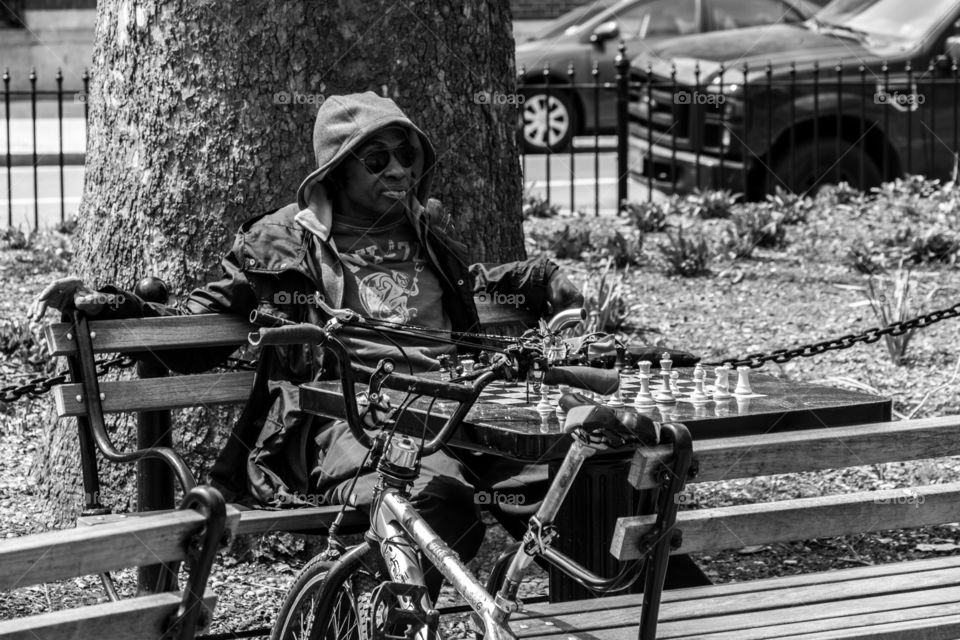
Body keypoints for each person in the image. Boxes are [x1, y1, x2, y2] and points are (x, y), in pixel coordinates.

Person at [31, 91, 583, 594]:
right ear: (338, 170)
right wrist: (109, 304)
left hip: (462, 412)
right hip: (356, 418)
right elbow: (195, 330)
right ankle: (380, 620)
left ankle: (617, 622)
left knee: (585, 482)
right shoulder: (283, 248)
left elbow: (483, 285)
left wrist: (545, 282)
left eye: (406, 156)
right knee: (432, 502)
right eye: (377, 158)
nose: (398, 170)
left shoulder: (426, 238)